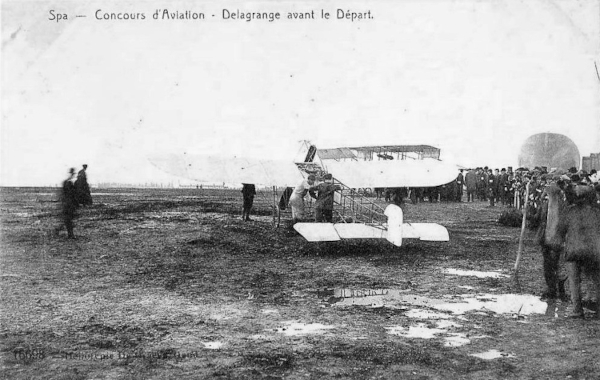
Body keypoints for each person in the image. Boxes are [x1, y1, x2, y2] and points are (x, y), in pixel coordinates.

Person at [55, 168, 78, 239]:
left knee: (67, 219)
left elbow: (63, 194)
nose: (73, 175)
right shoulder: (69, 183)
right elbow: (71, 194)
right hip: (68, 204)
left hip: (66, 203)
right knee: (68, 219)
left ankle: (67, 233)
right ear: (71, 174)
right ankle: (70, 234)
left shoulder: (66, 182)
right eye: (73, 174)